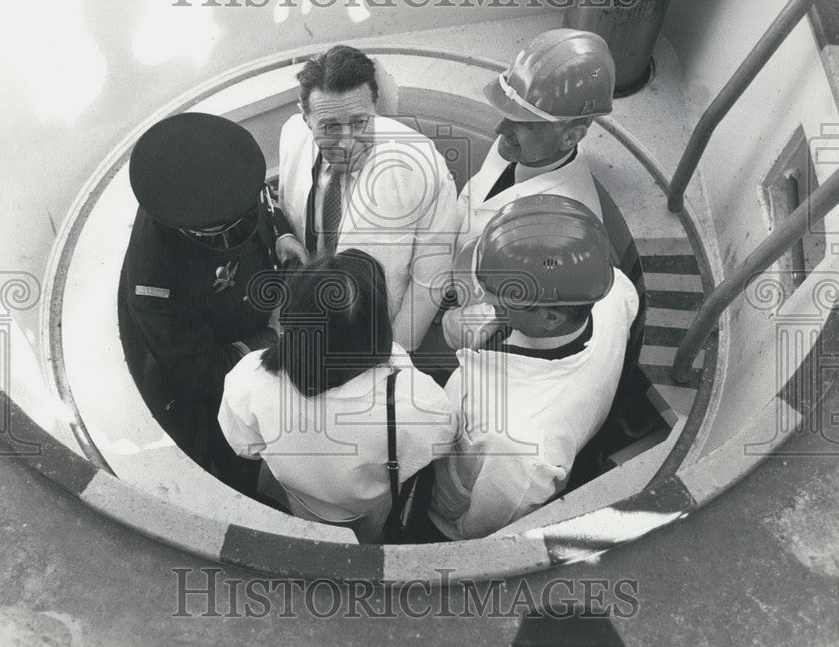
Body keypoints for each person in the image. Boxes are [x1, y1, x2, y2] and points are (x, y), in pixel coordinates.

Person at [430, 194, 639, 540]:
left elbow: (482, 532)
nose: (485, 302)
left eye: (502, 298)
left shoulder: (521, 447)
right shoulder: (614, 290)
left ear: (551, 317)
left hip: (447, 520)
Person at [218, 249, 458, 543]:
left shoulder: (250, 376)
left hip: (293, 502)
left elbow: (247, 446)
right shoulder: (419, 402)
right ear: (377, 324)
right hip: (372, 513)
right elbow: (435, 446)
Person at [443, 29, 644, 351]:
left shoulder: (569, 224)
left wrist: (472, 322)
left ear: (571, 136)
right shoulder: (521, 147)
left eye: (523, 123)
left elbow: (532, 311)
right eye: (507, 115)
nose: (499, 130)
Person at [117, 112, 284, 493]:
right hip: (229, 398)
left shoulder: (230, 180)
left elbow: (265, 211)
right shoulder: (155, 279)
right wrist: (271, 338)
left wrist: (284, 236)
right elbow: (200, 372)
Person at [273, 44, 458, 352]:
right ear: (306, 117)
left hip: (376, 334)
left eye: (360, 122)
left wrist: (394, 357)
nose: (347, 143)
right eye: (330, 127)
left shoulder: (422, 164)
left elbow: (430, 281)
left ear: (375, 106)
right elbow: (286, 207)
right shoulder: (291, 135)